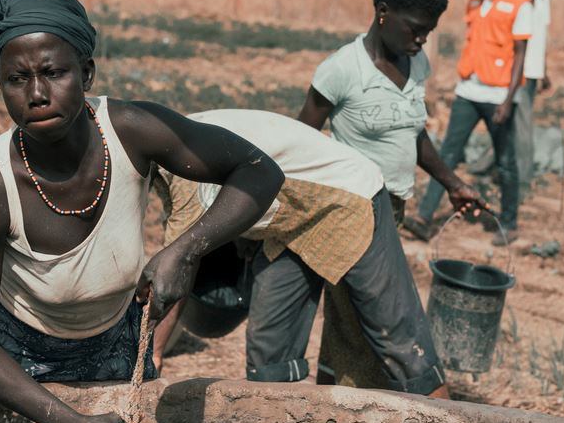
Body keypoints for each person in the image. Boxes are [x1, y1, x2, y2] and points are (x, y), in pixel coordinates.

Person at [0, 0, 283, 423]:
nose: (37, 94)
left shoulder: (131, 133)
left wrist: (186, 249)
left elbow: (258, 170)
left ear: (86, 73)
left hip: (114, 345)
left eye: (53, 72)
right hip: (12, 361)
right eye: (16, 79)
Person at [152, 109, 479, 397]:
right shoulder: (168, 140)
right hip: (288, 220)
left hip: (344, 196)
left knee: (399, 341)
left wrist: (152, 353)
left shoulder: (184, 164)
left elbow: (179, 263)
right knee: (269, 349)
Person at [295, 0, 483, 388]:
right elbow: (301, 138)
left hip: (393, 207)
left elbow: (414, 133)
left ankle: (338, 395)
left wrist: (453, 183)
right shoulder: (342, 70)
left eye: (428, 32)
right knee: (368, 313)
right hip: (351, 210)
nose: (421, 40)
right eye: (415, 29)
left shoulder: (416, 65)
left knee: (355, 313)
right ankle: (358, 400)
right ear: (383, 12)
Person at [409, 0, 531, 246]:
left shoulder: (519, 3)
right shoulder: (475, 1)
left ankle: (510, 223)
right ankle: (424, 218)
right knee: (447, 154)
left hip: (498, 94)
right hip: (468, 91)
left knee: (505, 160)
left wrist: (508, 100)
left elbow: (520, 56)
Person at [507, 0, 550, 195]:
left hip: (534, 67)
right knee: (523, 125)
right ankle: (523, 182)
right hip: (515, 69)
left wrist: (546, 69)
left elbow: (543, 32)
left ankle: (484, 165)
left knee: (515, 122)